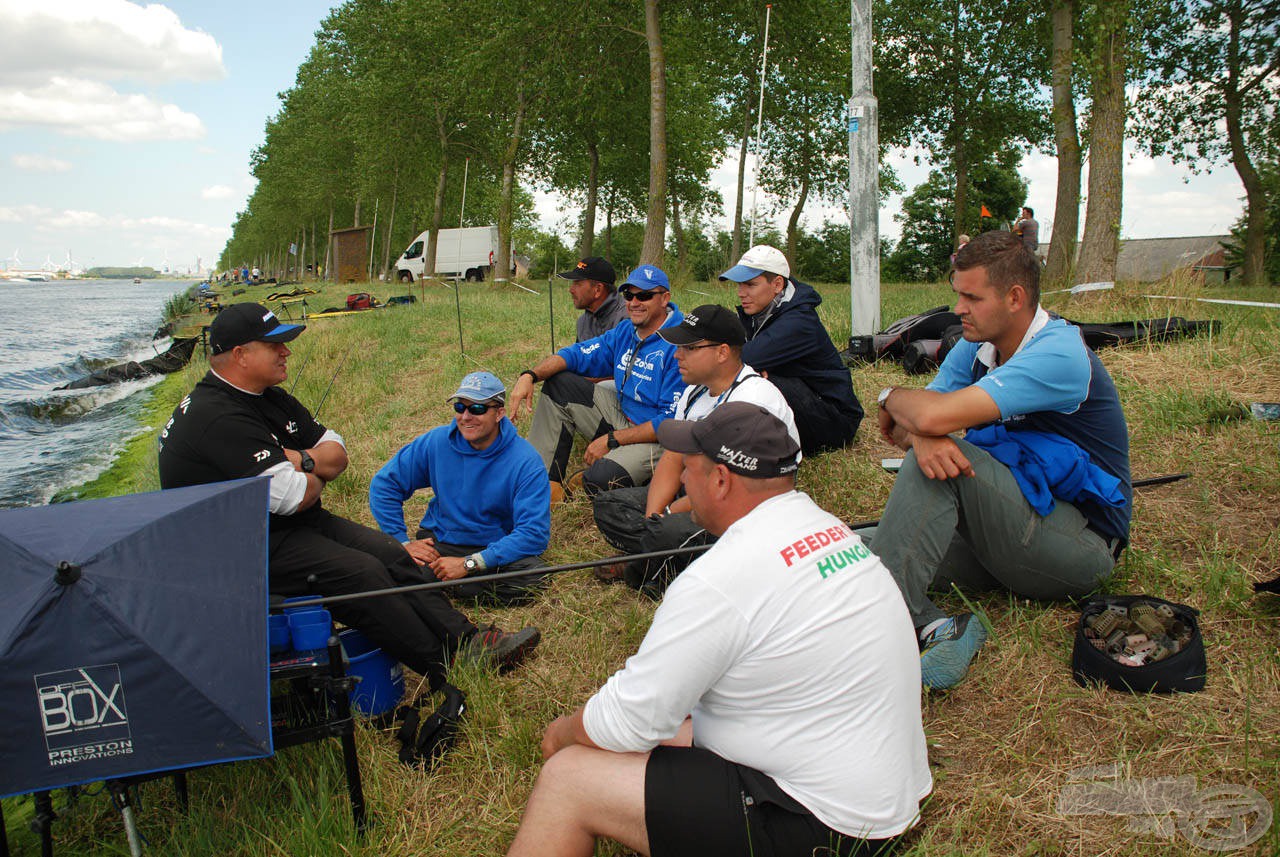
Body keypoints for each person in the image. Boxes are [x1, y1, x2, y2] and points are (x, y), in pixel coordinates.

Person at [507, 403, 931, 857]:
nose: (682, 481)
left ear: (722, 480)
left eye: (688, 468)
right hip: (886, 793)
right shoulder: (828, 530)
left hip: (830, 826)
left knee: (567, 777)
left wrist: (562, 733)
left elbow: (627, 720)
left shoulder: (719, 579)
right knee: (674, 727)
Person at [157, 303, 540, 693]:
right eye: (275, 345)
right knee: (363, 574)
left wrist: (302, 462)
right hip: (241, 547)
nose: (286, 352)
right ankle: (444, 665)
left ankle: (468, 640)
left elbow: (335, 452)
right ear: (240, 354)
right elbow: (294, 496)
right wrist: (314, 471)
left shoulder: (267, 396)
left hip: (287, 523)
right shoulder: (216, 416)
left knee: (390, 552)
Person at [870, 230, 1131, 689]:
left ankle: (880, 632)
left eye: (972, 297)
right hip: (1012, 522)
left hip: (1079, 546)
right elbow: (908, 427)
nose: (957, 309)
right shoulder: (977, 345)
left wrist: (893, 396)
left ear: (1015, 297)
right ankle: (947, 628)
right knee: (864, 548)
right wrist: (925, 428)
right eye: (958, 295)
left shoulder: (1058, 353)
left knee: (936, 466)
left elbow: (924, 414)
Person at [590, 304, 798, 596]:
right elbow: (674, 456)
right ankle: (666, 564)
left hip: (740, 504)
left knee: (670, 531)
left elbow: (733, 489)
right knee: (610, 506)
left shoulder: (753, 400)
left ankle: (649, 570)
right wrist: (655, 517)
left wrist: (669, 516)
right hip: (699, 487)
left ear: (722, 352)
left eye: (689, 348)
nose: (677, 355)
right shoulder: (694, 390)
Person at [369, 371, 551, 606]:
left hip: (493, 547)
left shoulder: (526, 461)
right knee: (389, 569)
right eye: (459, 407)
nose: (466, 417)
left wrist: (469, 564)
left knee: (535, 577)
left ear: (499, 413)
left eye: (477, 409)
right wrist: (402, 542)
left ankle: (442, 585)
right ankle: (446, 582)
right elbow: (385, 484)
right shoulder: (436, 441)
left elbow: (533, 533)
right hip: (440, 544)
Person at [508, 265, 684, 499]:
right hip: (622, 416)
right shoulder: (625, 330)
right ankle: (541, 483)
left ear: (665, 299)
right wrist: (530, 375)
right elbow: (577, 354)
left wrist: (612, 440)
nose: (634, 302)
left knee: (600, 480)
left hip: (658, 439)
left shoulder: (681, 344)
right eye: (629, 295)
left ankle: (643, 477)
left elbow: (669, 423)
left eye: (644, 295)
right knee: (559, 382)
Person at [719, 245, 864, 456]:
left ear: (777, 284)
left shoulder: (799, 322)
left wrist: (753, 372)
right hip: (805, 396)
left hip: (834, 421)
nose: (741, 293)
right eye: (740, 285)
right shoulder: (763, 310)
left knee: (750, 378)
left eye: (750, 284)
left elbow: (740, 361)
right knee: (751, 376)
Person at [558, 256, 627, 342]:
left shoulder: (627, 320)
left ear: (598, 289)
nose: (571, 290)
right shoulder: (583, 322)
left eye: (578, 284)